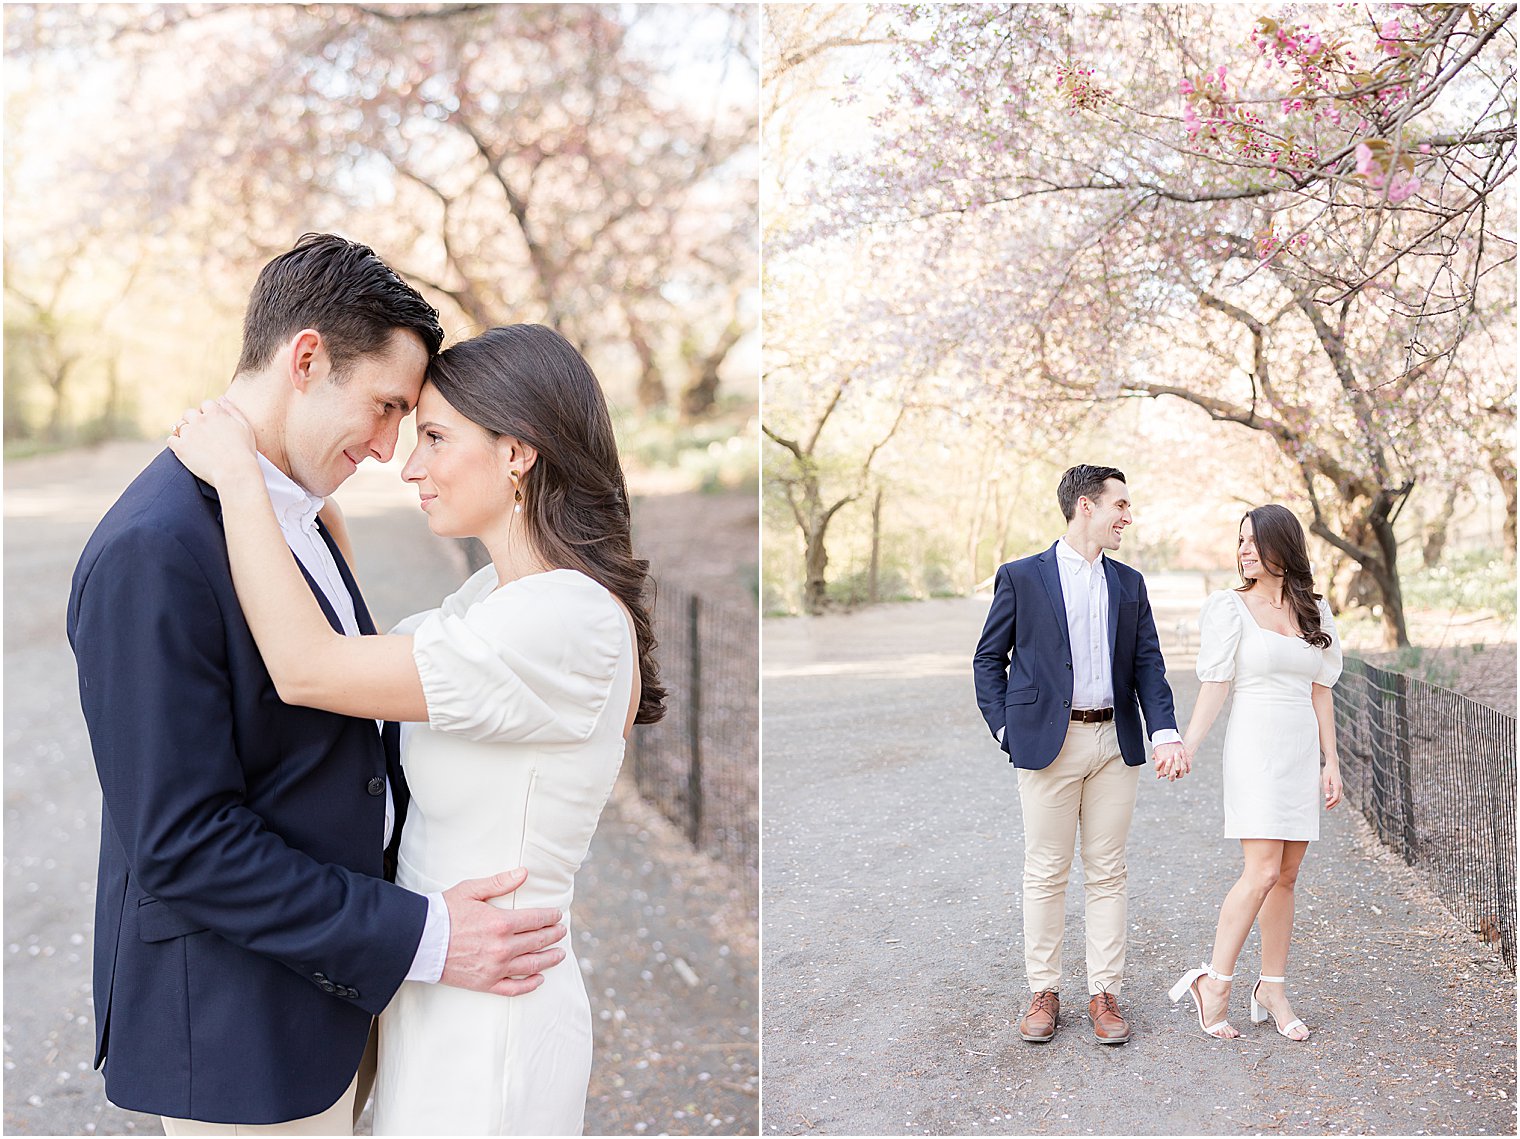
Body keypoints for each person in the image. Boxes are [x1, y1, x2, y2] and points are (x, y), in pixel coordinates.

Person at [67, 234, 568, 1135]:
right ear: (306, 359)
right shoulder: (154, 548)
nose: (387, 449)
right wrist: (424, 935)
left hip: (333, 1003)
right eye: (383, 408)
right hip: (239, 1033)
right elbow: (182, 844)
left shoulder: (294, 511)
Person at [168, 321, 666, 1135]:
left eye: (434, 435)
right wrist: (312, 513)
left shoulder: (565, 618)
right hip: (439, 984)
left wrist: (241, 477)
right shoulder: (491, 604)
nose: (409, 464)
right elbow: (368, 668)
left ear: (518, 451)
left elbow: (309, 667)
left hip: (493, 1012)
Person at [973, 464, 1187, 1046]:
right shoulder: (1020, 577)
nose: (1128, 516)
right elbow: (988, 659)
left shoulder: (1129, 583)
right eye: (1121, 504)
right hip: (1048, 743)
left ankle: (1104, 993)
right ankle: (1044, 991)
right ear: (1086, 506)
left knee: (1108, 871)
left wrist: (1163, 730)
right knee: (1045, 871)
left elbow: (1149, 665)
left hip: (1115, 744)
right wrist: (1004, 731)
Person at [1168, 504, 1342, 1041]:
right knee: (1262, 870)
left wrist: (1330, 761)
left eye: (1253, 540)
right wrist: (1188, 742)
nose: (1242, 549)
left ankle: (1272, 985)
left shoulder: (1316, 610)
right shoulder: (1228, 608)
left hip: (1297, 752)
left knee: (1288, 875)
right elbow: (1216, 683)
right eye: (1239, 540)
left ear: (1282, 546)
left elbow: (1320, 689)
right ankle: (1214, 982)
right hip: (1254, 750)